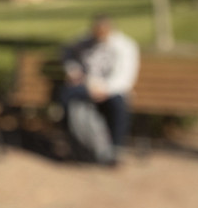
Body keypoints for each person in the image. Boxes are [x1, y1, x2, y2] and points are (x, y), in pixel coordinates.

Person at [59, 14, 139, 164]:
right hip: (86, 86)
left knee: (119, 104)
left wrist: (105, 89)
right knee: (65, 96)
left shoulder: (125, 46)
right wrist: (73, 70)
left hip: (113, 89)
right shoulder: (85, 41)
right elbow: (67, 52)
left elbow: (125, 77)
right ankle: (75, 145)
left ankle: (114, 150)